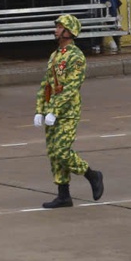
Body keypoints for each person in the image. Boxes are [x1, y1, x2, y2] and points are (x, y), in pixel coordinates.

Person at [35, 14, 104, 208]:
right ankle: (63, 195)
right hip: (52, 110)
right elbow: (46, 84)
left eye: (59, 27)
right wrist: (40, 109)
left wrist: (55, 110)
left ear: (69, 31)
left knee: (62, 151)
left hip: (67, 111)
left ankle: (91, 174)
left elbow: (71, 87)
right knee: (54, 154)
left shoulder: (76, 56)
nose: (55, 30)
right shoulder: (55, 55)